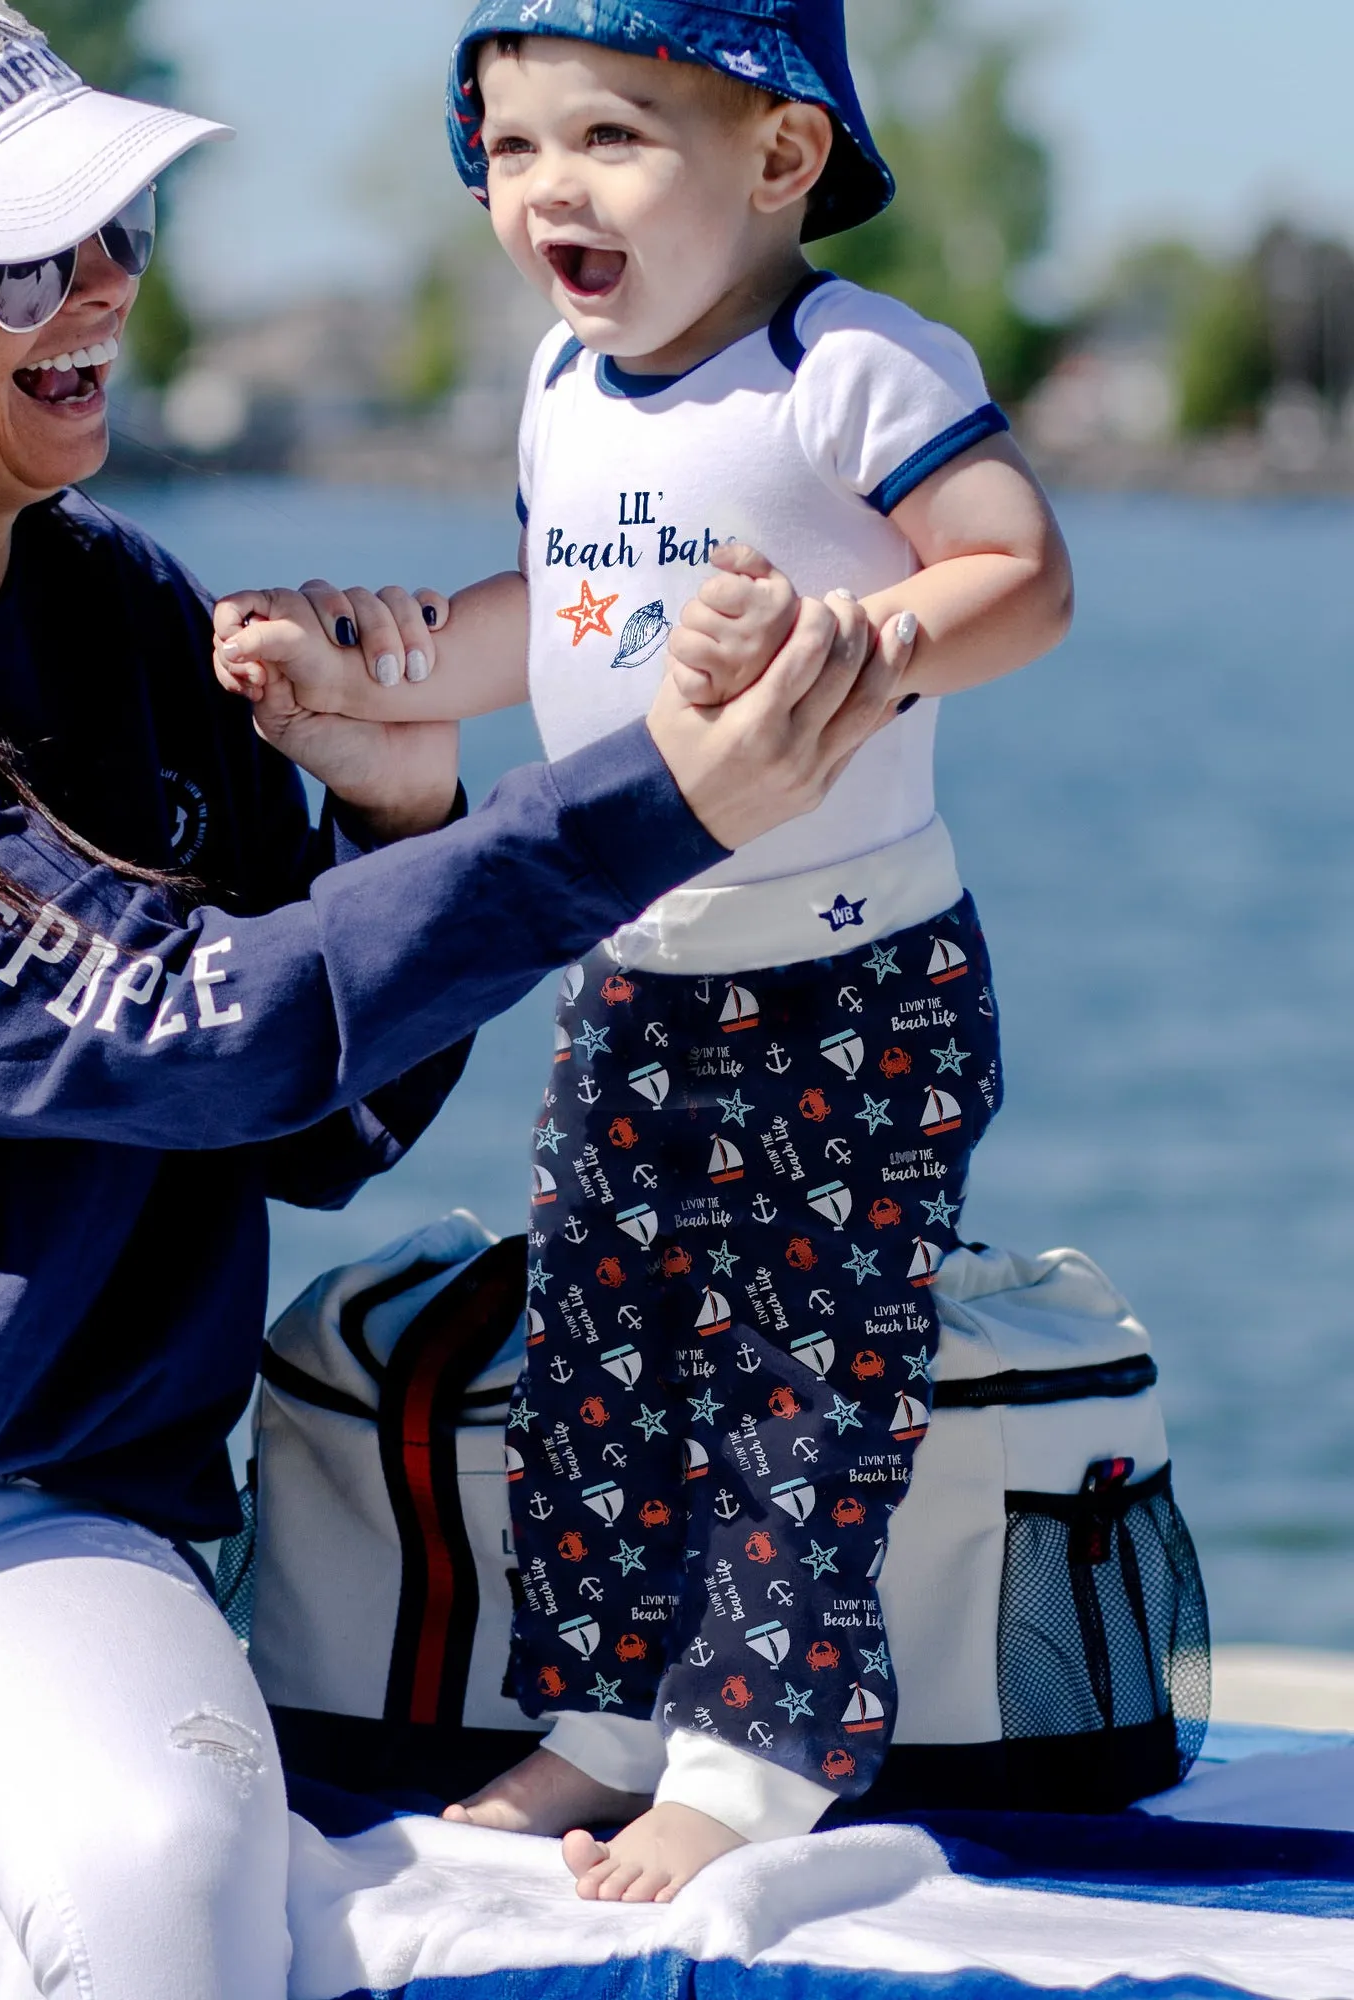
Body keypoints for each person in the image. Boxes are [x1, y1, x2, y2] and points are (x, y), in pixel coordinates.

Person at [0, 3, 912, 1995]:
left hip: (49, 1519)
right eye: (18, 252)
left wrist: (387, 814)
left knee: (172, 1890)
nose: (101, 281)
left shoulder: (119, 612)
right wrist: (648, 806)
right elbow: (180, 1034)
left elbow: (317, 1121)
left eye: (116, 224)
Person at [211, 0, 1074, 1908]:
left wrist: (852, 650)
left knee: (803, 1369)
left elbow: (1020, 573)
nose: (542, 193)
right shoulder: (562, 383)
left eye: (605, 137)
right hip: (637, 974)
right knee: (606, 1354)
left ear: (779, 160)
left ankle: (758, 1751)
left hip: (858, 984)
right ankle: (605, 1714)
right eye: (510, 149)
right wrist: (388, 667)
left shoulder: (846, 364)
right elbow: (567, 613)